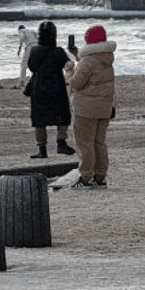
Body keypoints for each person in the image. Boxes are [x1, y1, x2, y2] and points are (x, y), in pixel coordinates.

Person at [66, 25, 114, 188]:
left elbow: (75, 84)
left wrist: (69, 71)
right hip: (104, 108)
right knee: (99, 142)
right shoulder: (107, 59)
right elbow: (92, 72)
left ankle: (86, 177)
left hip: (85, 109)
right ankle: (100, 176)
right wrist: (77, 56)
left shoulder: (88, 61)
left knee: (85, 143)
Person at [26, 20, 74, 158]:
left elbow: (32, 67)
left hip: (39, 88)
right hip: (56, 87)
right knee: (63, 116)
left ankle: (42, 149)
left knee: (39, 120)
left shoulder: (34, 50)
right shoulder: (58, 51)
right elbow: (67, 65)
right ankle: (61, 143)